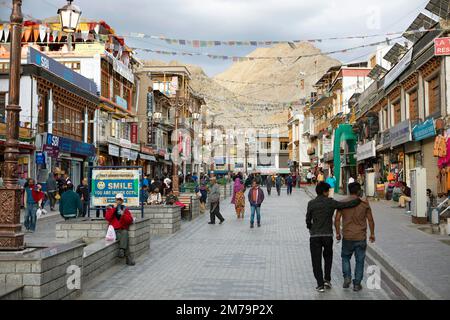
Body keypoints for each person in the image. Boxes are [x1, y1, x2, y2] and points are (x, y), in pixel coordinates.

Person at [306, 182, 361, 292]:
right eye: (328, 191)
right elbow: (345, 205)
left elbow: (308, 219)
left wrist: (311, 228)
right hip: (327, 235)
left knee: (316, 260)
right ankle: (327, 280)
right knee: (328, 258)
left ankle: (320, 284)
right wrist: (358, 200)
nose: (329, 192)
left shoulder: (311, 203)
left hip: (315, 236)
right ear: (325, 192)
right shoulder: (330, 202)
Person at [335, 182, 375, 292]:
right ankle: (357, 284)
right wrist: (372, 234)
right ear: (358, 191)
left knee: (345, 258)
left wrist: (338, 233)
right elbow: (370, 220)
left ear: (349, 190)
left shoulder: (342, 203)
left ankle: (347, 277)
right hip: (360, 237)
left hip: (347, 236)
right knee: (360, 260)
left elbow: (337, 219)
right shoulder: (364, 203)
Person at [105, 193, 135, 266]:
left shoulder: (125, 209)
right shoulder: (110, 208)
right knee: (125, 237)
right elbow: (107, 218)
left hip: (121, 230)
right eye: (117, 199)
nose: (118, 201)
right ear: (115, 200)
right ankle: (128, 258)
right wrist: (114, 209)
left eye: (120, 200)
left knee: (124, 233)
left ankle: (121, 250)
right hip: (113, 231)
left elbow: (130, 220)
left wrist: (123, 215)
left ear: (122, 201)